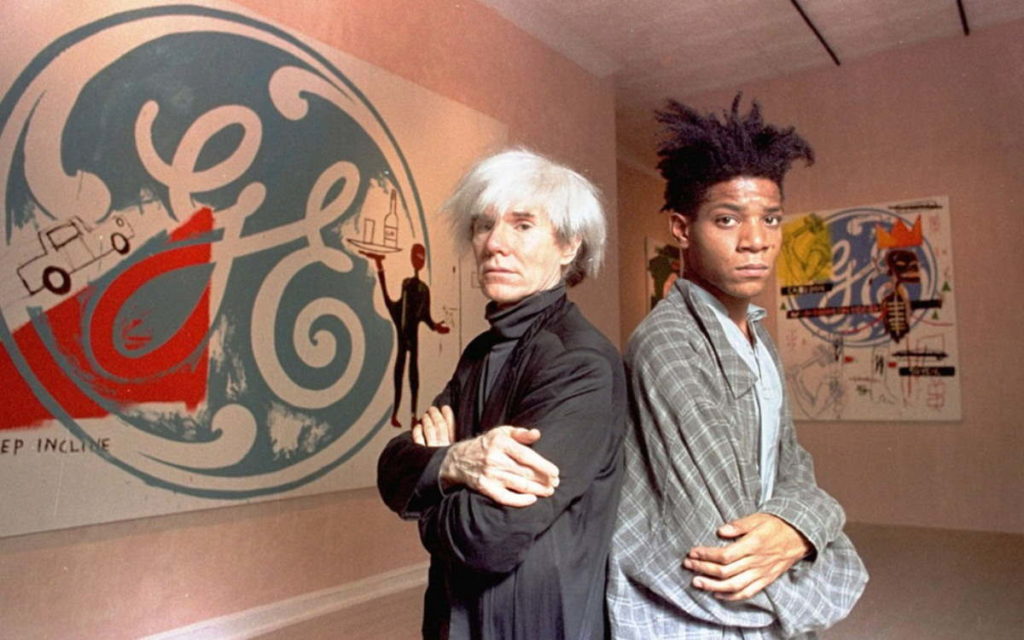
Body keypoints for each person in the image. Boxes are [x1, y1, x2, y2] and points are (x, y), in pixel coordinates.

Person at [607, 96, 868, 639]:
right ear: (682, 229)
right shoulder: (668, 343)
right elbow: (723, 546)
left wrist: (802, 524)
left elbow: (792, 463)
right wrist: (820, 535)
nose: (756, 241)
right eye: (727, 220)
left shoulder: (758, 336)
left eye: (770, 219)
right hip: (689, 621)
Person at [378, 148, 625, 640]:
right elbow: (392, 468)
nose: (494, 244)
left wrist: (433, 489)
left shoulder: (581, 363)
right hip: (453, 617)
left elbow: (489, 535)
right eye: (483, 225)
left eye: (522, 225)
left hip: (536, 624)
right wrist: (455, 462)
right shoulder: (479, 353)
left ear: (568, 246)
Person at [364, 243, 451, 427]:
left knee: (413, 376)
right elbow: (400, 306)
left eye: (421, 257)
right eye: (416, 256)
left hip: (413, 336)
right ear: (412, 258)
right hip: (402, 332)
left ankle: (412, 415)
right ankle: (395, 414)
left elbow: (426, 316)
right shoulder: (406, 284)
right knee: (399, 373)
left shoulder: (424, 289)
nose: (418, 260)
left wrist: (436, 326)